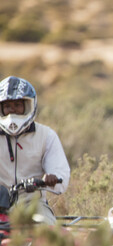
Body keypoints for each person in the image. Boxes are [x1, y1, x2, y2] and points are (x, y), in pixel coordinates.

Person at [0, 76, 70, 225]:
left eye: (17, 105)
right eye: (7, 106)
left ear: (28, 105)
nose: (12, 111)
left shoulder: (46, 135)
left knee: (45, 232)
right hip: (1, 205)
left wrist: (51, 179)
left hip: (33, 205)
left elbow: (61, 177)